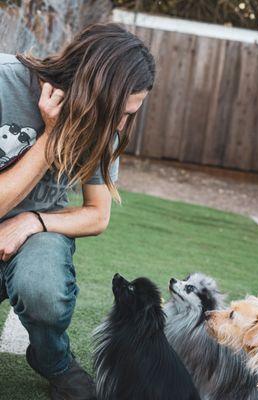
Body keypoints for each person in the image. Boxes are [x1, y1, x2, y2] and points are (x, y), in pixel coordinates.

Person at [0, 22, 155, 400]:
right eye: (119, 110)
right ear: (92, 86)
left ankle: (53, 360)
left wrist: (32, 220)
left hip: (34, 240)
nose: (120, 125)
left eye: (130, 114)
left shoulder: (105, 127)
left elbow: (97, 215)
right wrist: (51, 137)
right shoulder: (4, 84)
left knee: (44, 290)